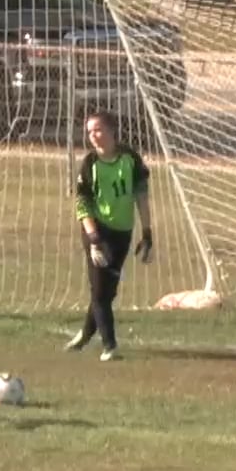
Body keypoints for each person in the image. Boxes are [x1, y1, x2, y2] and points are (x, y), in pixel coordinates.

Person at [68, 110, 154, 361]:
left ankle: (85, 335)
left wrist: (147, 233)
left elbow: (141, 196)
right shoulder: (90, 164)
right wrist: (94, 240)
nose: (93, 136)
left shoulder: (130, 159)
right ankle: (110, 346)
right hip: (98, 231)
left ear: (111, 131)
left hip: (123, 233)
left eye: (98, 130)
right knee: (99, 292)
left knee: (107, 292)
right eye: (89, 132)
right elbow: (82, 206)